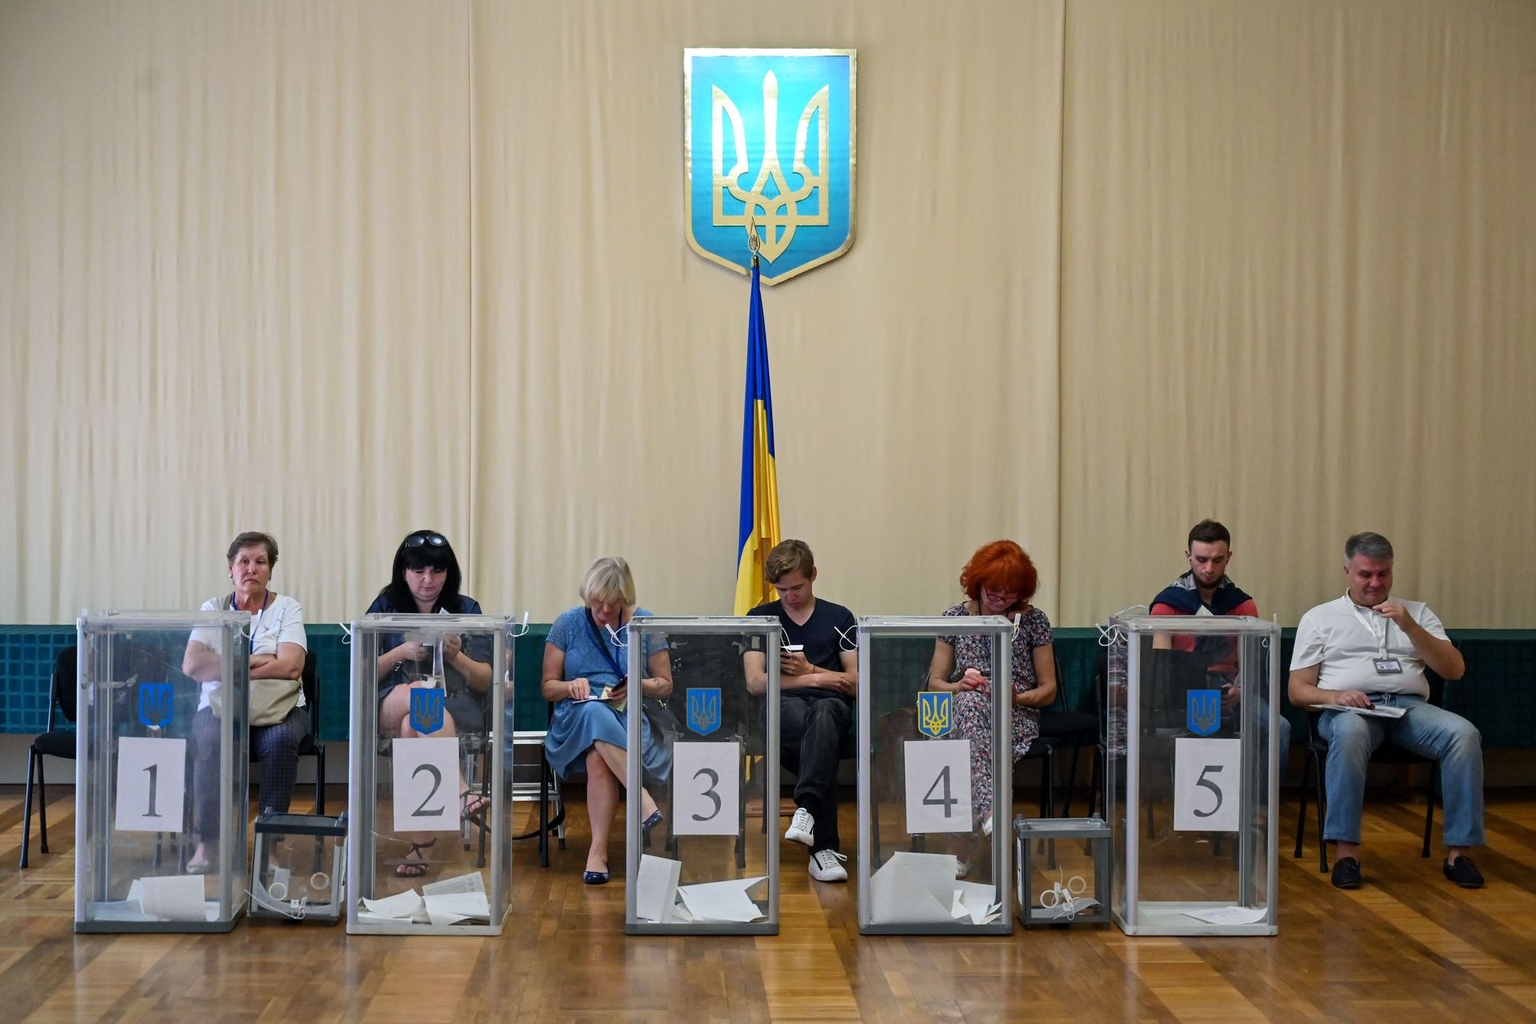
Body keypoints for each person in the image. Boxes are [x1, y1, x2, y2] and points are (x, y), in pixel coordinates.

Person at [1287, 532, 1483, 890]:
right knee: (1349, 733)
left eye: (1383, 574)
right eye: (1366, 575)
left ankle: (1459, 855)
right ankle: (1347, 855)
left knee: (1464, 734)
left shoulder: (1417, 613)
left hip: (1409, 709)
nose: (1375, 583)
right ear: (1347, 571)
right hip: (1352, 711)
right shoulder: (1320, 618)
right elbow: (1298, 690)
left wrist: (1409, 625)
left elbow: (1454, 670)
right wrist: (1336, 697)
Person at [926, 540, 1057, 877]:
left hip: (1014, 713)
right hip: (965, 707)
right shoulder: (955, 618)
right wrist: (960, 685)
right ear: (978, 582)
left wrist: (1016, 697)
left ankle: (961, 845)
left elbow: (1048, 689)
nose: (1000, 599)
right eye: (993, 590)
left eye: (1010, 593)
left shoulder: (1034, 621)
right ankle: (991, 813)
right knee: (969, 705)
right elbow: (935, 684)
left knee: (960, 742)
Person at [368, 529, 494, 878]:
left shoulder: (467, 610)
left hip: (450, 708)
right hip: (389, 703)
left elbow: (485, 680)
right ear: (403, 572)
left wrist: (456, 657)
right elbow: (361, 672)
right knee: (417, 696)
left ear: (448, 573)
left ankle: (421, 845)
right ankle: (461, 790)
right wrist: (401, 651)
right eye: (418, 571)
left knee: (417, 722)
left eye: (437, 571)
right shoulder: (384, 608)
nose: (428, 580)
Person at [182, 531, 309, 874]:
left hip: (279, 708)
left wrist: (228, 667)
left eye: (260, 562)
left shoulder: (287, 608)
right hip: (219, 708)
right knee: (209, 741)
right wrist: (258, 662)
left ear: (270, 570)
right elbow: (193, 665)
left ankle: (271, 845)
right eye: (244, 561)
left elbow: (292, 665)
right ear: (230, 569)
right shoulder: (213, 609)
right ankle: (207, 843)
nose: (251, 568)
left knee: (281, 742)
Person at [542, 556, 673, 885]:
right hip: (575, 718)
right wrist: (570, 686)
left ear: (625, 599)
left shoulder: (644, 623)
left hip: (629, 717)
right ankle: (641, 798)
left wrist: (636, 685)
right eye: (596, 603)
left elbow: (665, 685)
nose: (602, 612)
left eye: (610, 605)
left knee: (598, 758)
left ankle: (597, 851)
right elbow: (547, 688)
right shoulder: (567, 623)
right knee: (593, 710)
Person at [743, 540, 858, 883]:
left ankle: (805, 810)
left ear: (814, 576)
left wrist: (809, 672)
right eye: (782, 590)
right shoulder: (760, 618)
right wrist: (822, 678)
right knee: (814, 730)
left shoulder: (840, 617)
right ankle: (822, 849)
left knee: (823, 717)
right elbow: (755, 683)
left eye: (797, 587)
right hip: (782, 708)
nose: (789, 596)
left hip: (831, 709)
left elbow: (855, 682)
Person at [1149, 519, 1290, 756]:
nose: (1208, 568)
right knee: (1177, 731)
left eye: (1217, 560)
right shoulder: (1167, 604)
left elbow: (1250, 666)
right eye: (1201, 559)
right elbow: (1163, 669)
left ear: (1229, 557)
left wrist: (1240, 690)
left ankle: (1256, 793)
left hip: (1229, 690)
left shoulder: (1242, 605)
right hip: (1182, 694)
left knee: (1280, 729)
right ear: (1188, 556)